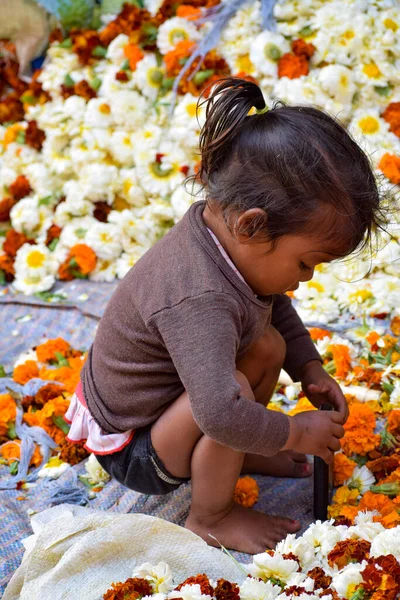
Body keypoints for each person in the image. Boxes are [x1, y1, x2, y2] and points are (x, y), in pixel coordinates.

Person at [65, 77, 383, 554]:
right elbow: (216, 409)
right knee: (231, 387)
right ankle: (210, 515)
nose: (309, 277)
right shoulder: (201, 297)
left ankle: (244, 449)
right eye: (306, 263)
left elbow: (273, 305)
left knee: (269, 344)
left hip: (173, 406)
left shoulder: (227, 235)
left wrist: (309, 367)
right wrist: (292, 431)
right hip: (136, 448)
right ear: (252, 224)